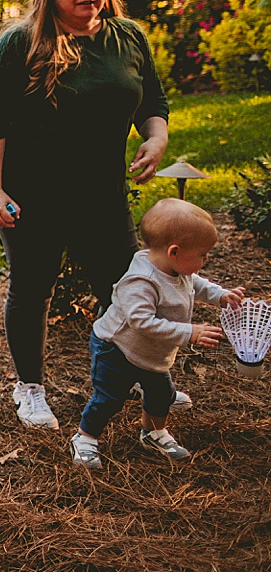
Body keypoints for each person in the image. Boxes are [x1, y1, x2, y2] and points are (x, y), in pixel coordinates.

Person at [0, 0, 170, 431]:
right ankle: (30, 389)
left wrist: (156, 138)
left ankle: (147, 378)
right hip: (33, 199)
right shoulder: (19, 43)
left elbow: (152, 102)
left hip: (103, 195)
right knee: (33, 290)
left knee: (125, 290)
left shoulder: (127, 37)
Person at [70, 198, 244, 467]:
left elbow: (196, 283)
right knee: (109, 399)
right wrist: (190, 332)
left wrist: (220, 295)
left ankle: (152, 432)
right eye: (202, 255)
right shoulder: (140, 282)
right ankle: (85, 437)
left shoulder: (175, 268)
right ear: (174, 251)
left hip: (150, 353)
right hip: (116, 349)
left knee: (162, 395)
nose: (205, 260)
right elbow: (143, 323)